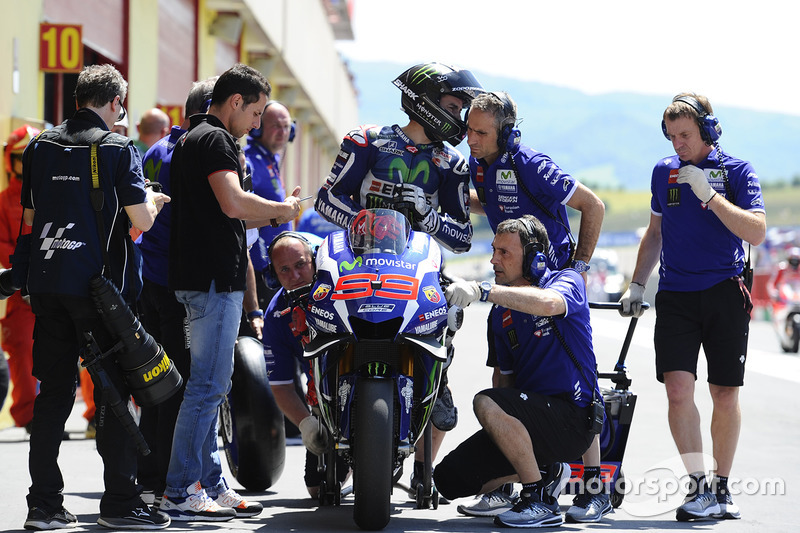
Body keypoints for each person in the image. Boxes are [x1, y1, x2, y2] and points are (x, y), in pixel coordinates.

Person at [315, 61, 483, 486]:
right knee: (317, 316)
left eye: (462, 108)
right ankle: (319, 409)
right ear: (423, 101)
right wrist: (363, 223)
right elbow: (327, 198)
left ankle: (427, 427)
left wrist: (428, 216)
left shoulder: (453, 163)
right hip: (356, 261)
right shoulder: (367, 140)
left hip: (418, 268)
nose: (459, 116)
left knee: (446, 328)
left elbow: (462, 236)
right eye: (452, 105)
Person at [20, 63, 171, 530]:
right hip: (102, 294)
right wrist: (154, 199)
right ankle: (120, 503)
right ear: (115, 104)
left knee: (53, 396)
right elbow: (141, 222)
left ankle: (43, 505)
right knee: (114, 395)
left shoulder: (40, 146)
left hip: (48, 287)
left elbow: (29, 220)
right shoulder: (118, 147)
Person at [161, 63, 301, 522]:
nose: (258, 124)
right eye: (257, 113)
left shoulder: (191, 137)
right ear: (235, 102)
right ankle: (181, 489)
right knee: (207, 388)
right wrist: (284, 207)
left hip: (199, 280)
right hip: (212, 282)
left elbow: (233, 215)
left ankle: (210, 484)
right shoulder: (217, 140)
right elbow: (234, 202)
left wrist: (280, 214)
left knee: (210, 388)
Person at [619, 92, 766, 521]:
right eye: (671, 136)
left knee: (724, 392)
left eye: (685, 135)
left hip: (725, 290)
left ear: (708, 130)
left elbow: (756, 232)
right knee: (678, 389)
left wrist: (710, 195)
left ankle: (722, 487)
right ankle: (699, 486)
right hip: (677, 296)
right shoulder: (663, 172)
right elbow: (654, 233)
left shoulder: (738, 170)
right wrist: (636, 284)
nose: (677, 144)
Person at [462, 90, 608, 521]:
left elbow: (593, 205)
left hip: (550, 285)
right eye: (468, 129)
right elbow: (488, 202)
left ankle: (595, 488)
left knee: (572, 374)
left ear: (505, 134)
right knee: (505, 373)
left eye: (480, 132)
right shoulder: (479, 162)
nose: (469, 138)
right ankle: (514, 484)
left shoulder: (531, 165)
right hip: (510, 277)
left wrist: (578, 269)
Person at [434, 215, 600, 528]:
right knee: (448, 479)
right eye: (494, 251)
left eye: (505, 253)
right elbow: (504, 382)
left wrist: (484, 291)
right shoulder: (500, 314)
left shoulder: (566, 281)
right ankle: (544, 472)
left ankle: (537, 499)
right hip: (531, 421)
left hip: (574, 421)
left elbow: (549, 304)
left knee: (484, 401)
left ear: (535, 259)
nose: (494, 260)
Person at [135, 76, 217, 507]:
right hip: (177, 287)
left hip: (151, 280)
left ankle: (150, 475)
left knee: (156, 383)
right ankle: (176, 482)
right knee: (182, 386)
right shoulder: (194, 152)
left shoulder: (156, 148)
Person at [261, 231, 350, 498]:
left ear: (314, 261)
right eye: (284, 270)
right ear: (273, 275)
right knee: (316, 489)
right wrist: (306, 425)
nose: (295, 276)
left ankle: (419, 471)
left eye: (300, 265)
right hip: (325, 397)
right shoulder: (276, 316)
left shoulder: (345, 281)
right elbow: (281, 384)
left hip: (371, 382)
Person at [0, 125, 40, 433]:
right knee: (23, 355)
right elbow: (3, 247)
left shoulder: (55, 194)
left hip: (56, 287)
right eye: (20, 157)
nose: (25, 164)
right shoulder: (3, 201)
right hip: (20, 294)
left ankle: (94, 414)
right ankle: (29, 417)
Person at [244, 100, 295, 308]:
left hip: (273, 269)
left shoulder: (269, 159)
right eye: (276, 126)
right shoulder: (249, 162)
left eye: (286, 126)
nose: (282, 132)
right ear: (258, 128)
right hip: (256, 271)